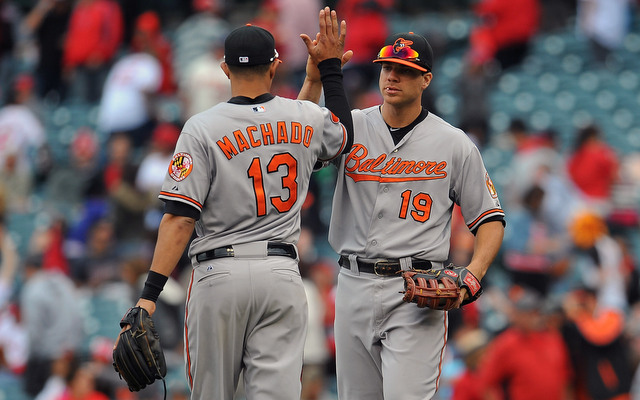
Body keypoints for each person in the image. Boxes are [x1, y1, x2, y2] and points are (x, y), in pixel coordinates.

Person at [115, 7, 353, 400]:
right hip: (281, 274)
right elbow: (340, 134)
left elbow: (179, 219)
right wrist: (328, 70)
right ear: (275, 66)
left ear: (225, 69)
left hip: (219, 275)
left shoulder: (201, 127)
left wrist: (149, 295)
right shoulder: (304, 116)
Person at [300, 31, 505, 399]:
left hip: (416, 293)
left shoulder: (453, 142)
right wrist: (314, 79)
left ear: (426, 78)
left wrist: (473, 274)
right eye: (386, 68)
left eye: (404, 70)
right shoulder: (353, 126)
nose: (391, 77)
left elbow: (489, 218)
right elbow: (296, 143)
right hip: (351, 284)